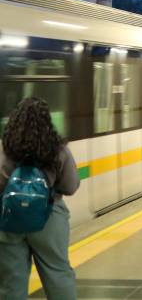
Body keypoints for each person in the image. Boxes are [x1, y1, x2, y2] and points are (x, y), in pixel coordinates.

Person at [0, 97, 80, 299]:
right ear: (47, 120)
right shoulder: (58, 149)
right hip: (50, 217)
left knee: (12, 280)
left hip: (9, 217)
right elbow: (70, 186)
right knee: (58, 273)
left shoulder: (4, 148)